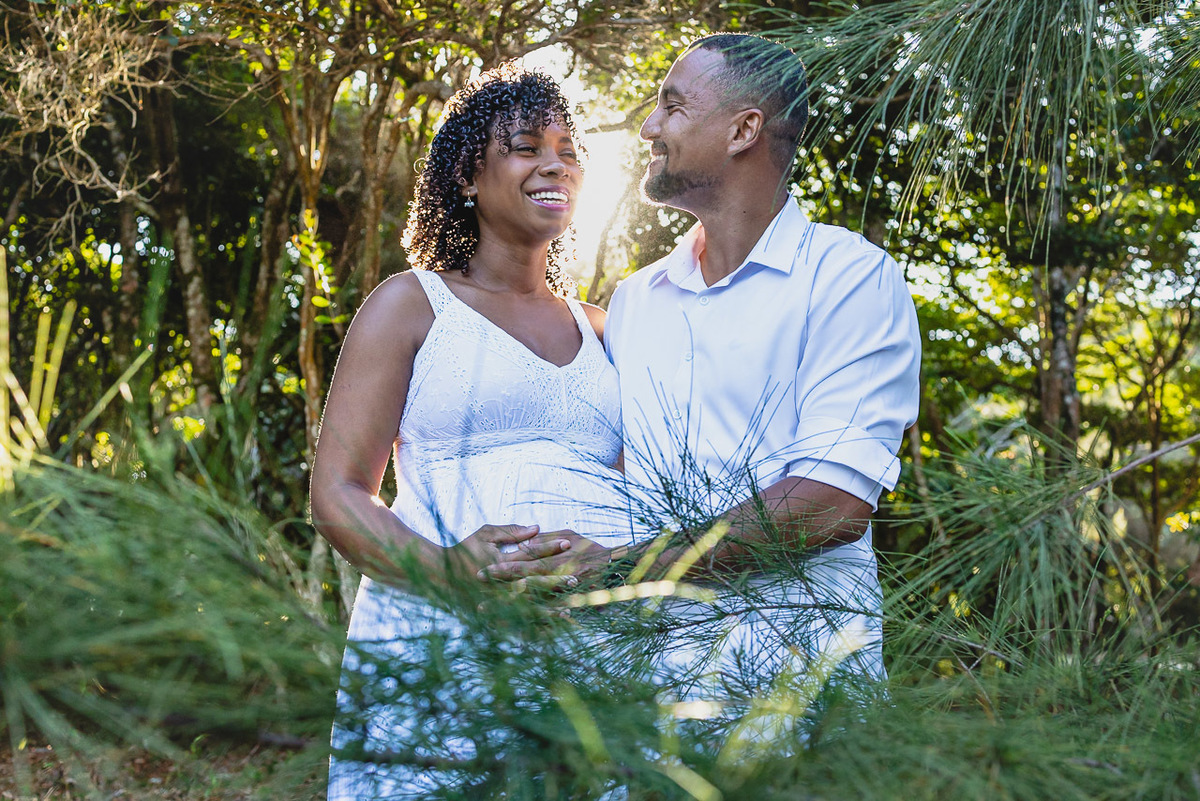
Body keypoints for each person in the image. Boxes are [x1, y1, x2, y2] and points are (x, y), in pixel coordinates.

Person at [486, 33, 921, 708]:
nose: (648, 126)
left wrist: (627, 568)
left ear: (745, 129)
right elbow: (623, 478)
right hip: (649, 691)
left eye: (672, 106)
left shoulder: (850, 278)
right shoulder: (636, 300)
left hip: (801, 683)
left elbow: (833, 503)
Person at [309, 64, 633, 800]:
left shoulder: (607, 330)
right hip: (439, 638)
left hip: (589, 653)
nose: (555, 162)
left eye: (567, 148)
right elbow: (337, 491)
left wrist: (611, 570)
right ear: (465, 174)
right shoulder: (410, 304)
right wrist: (448, 571)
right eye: (526, 145)